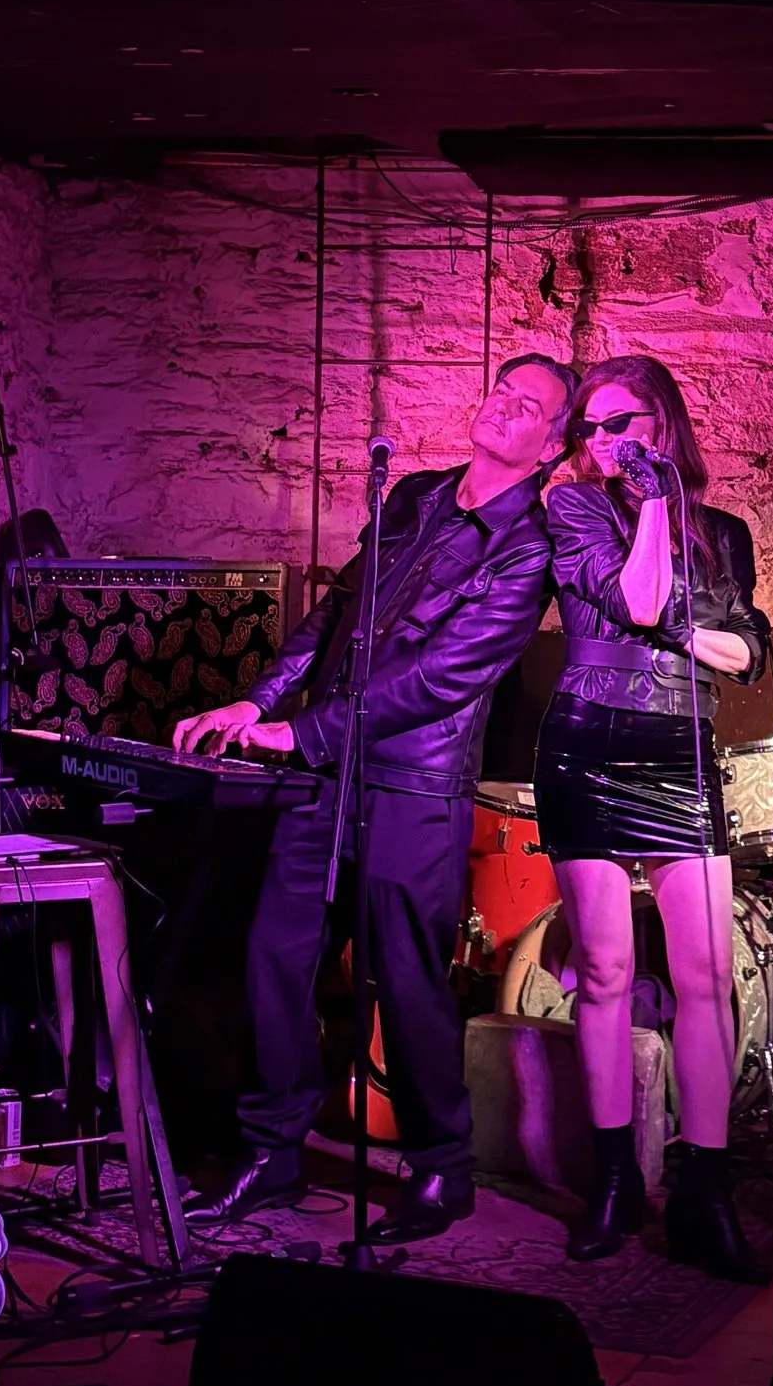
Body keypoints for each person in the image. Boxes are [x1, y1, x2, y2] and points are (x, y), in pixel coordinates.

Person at [175, 350, 573, 1245]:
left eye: (527, 406)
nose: (502, 407)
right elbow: (336, 614)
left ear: (551, 446)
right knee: (276, 958)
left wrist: (302, 733)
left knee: (407, 981)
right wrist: (261, 697)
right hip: (325, 772)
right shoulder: (418, 495)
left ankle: (442, 1168)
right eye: (499, 390)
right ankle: (271, 1151)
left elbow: (444, 676)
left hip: (412, 782)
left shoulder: (529, 548)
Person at [536, 355, 772, 1281]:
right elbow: (635, 599)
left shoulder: (724, 532)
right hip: (589, 741)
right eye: (590, 428)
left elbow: (748, 652)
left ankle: (705, 1194)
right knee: (604, 969)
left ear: (663, 422)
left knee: (706, 972)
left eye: (621, 421)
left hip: (680, 747)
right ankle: (611, 1182)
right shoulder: (578, 508)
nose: (603, 441)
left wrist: (687, 629)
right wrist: (644, 512)